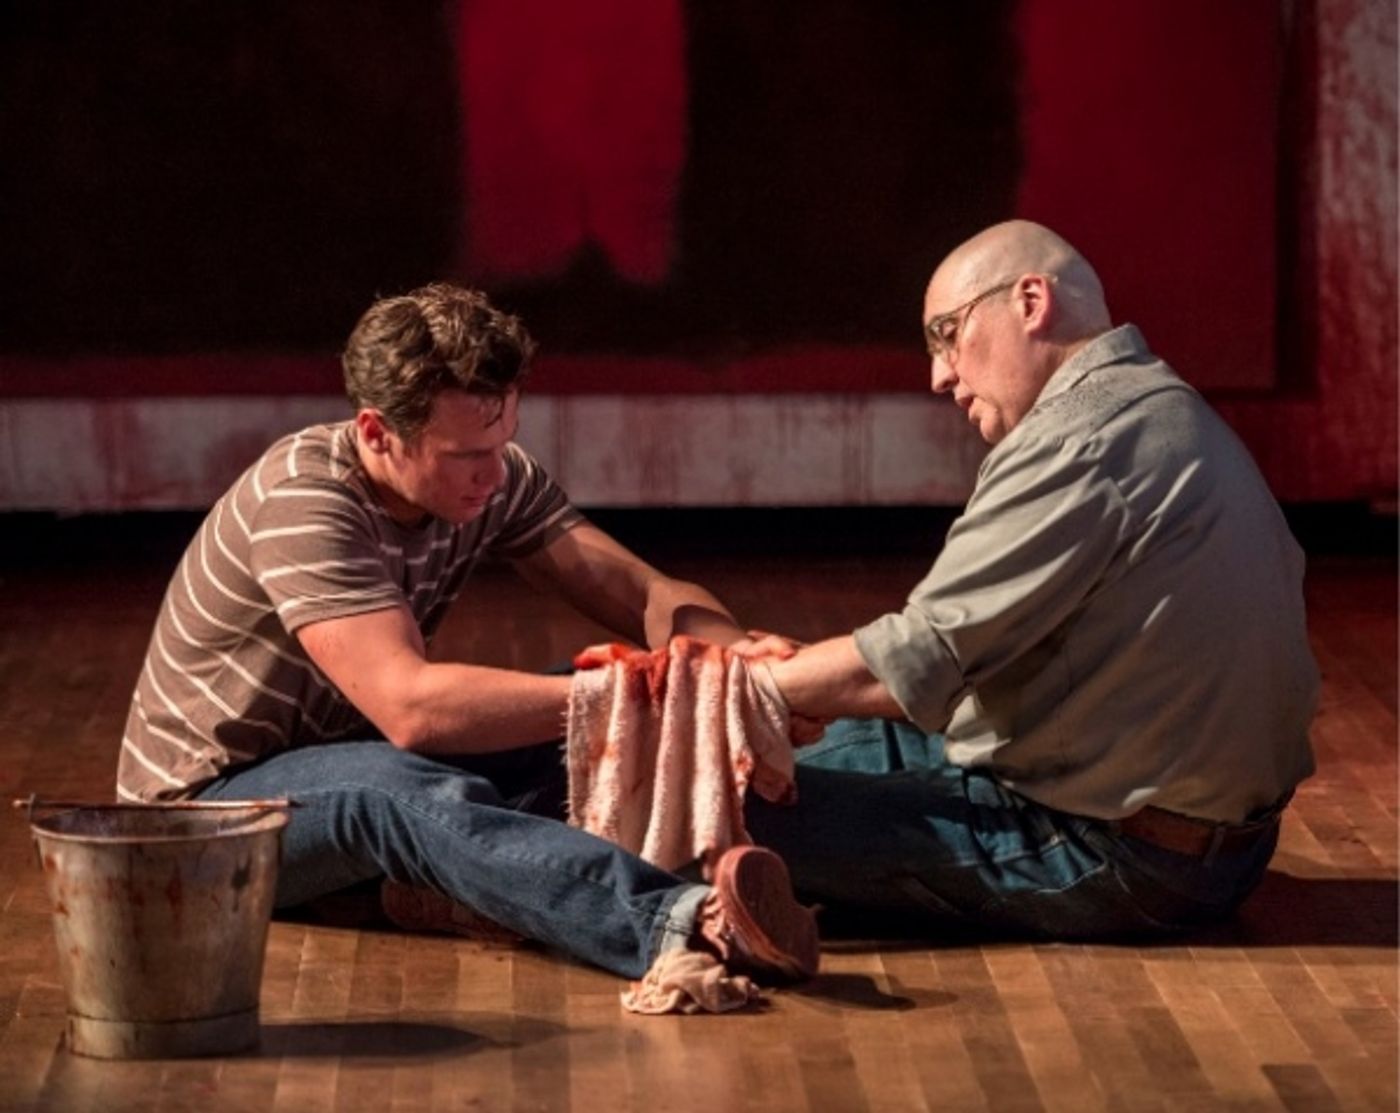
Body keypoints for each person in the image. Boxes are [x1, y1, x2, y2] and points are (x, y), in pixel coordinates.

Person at [116, 283, 817, 1003]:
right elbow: (412, 709)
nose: (494, 471)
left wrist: (730, 664)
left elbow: (645, 594)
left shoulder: (489, 476)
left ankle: (891, 849)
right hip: (207, 817)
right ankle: (684, 925)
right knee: (389, 790)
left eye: (504, 440)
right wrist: (635, 691)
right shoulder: (304, 503)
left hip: (352, 758)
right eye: (465, 454)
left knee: (588, 743)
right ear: (376, 431)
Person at [745, 220, 1319, 939]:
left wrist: (733, 691)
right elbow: (954, 660)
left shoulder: (1083, 440)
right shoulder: (1152, 408)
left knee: (694, 804)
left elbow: (916, 663)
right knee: (754, 758)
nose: (939, 375)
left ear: (1029, 301)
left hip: (1121, 854)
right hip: (1199, 842)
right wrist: (802, 680)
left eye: (947, 334)